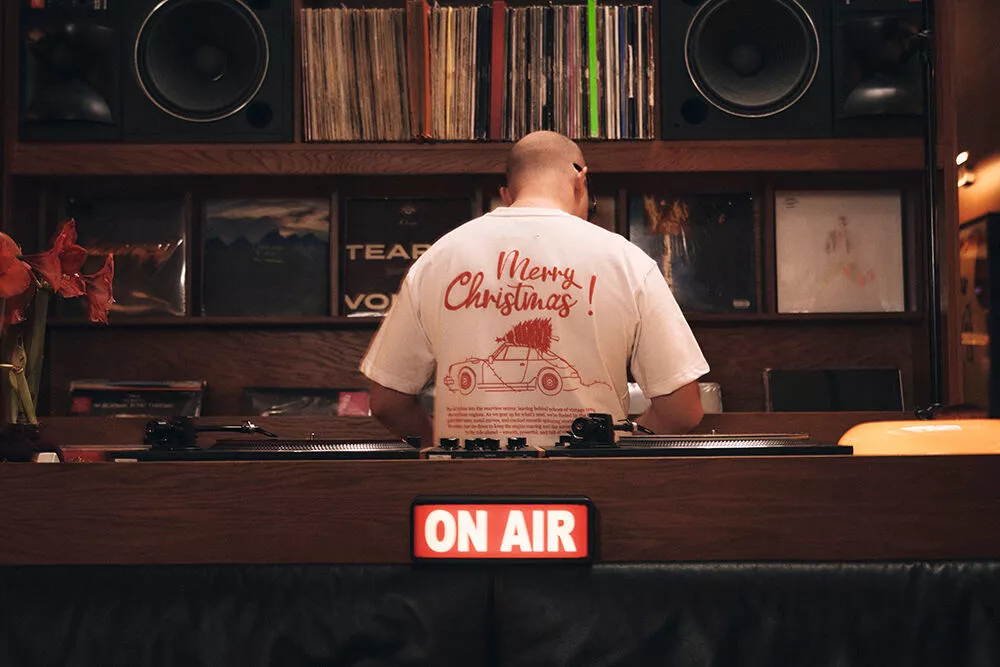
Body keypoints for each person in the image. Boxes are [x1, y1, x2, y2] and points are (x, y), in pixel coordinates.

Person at [359, 131, 709, 448]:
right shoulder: (628, 262)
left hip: (469, 488)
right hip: (592, 481)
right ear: (581, 181)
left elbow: (388, 401)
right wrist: (616, 446)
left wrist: (443, 446)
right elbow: (682, 410)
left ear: (506, 195)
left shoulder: (438, 260)